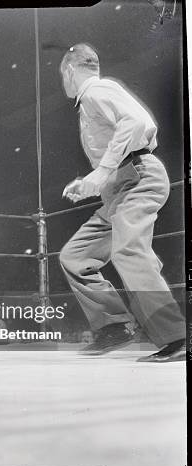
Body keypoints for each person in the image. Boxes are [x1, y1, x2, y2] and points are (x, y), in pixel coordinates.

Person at [59, 43, 184, 362]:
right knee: (75, 256)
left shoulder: (96, 90)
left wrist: (101, 172)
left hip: (138, 178)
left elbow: (136, 122)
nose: (64, 83)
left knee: (128, 249)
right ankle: (115, 326)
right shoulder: (93, 99)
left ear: (70, 70)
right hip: (119, 188)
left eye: (63, 75)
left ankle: (177, 338)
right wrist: (92, 183)